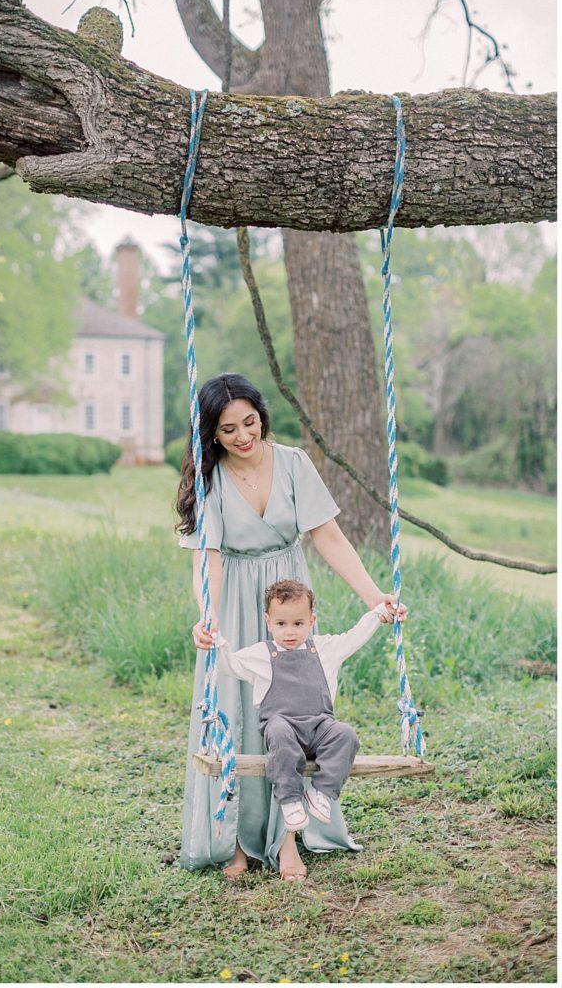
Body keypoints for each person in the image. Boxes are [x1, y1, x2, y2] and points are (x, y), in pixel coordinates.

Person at [177, 372, 405, 881]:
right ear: (212, 433)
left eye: (250, 422)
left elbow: (329, 536)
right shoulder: (210, 481)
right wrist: (209, 617)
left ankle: (286, 841)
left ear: (262, 417)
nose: (242, 436)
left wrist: (374, 597)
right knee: (236, 710)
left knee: (294, 714)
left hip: (287, 594)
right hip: (235, 597)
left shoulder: (295, 464)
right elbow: (207, 559)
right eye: (228, 428)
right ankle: (235, 836)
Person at [205, 579, 389, 877]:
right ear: (268, 622)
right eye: (281, 623)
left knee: (346, 734)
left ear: (312, 621)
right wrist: (217, 643)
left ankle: (321, 794)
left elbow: (354, 637)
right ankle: (290, 800)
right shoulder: (262, 654)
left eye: (298, 623)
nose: (289, 632)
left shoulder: (324, 649)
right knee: (278, 731)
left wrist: (377, 613)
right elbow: (229, 665)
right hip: (283, 729)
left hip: (319, 727)